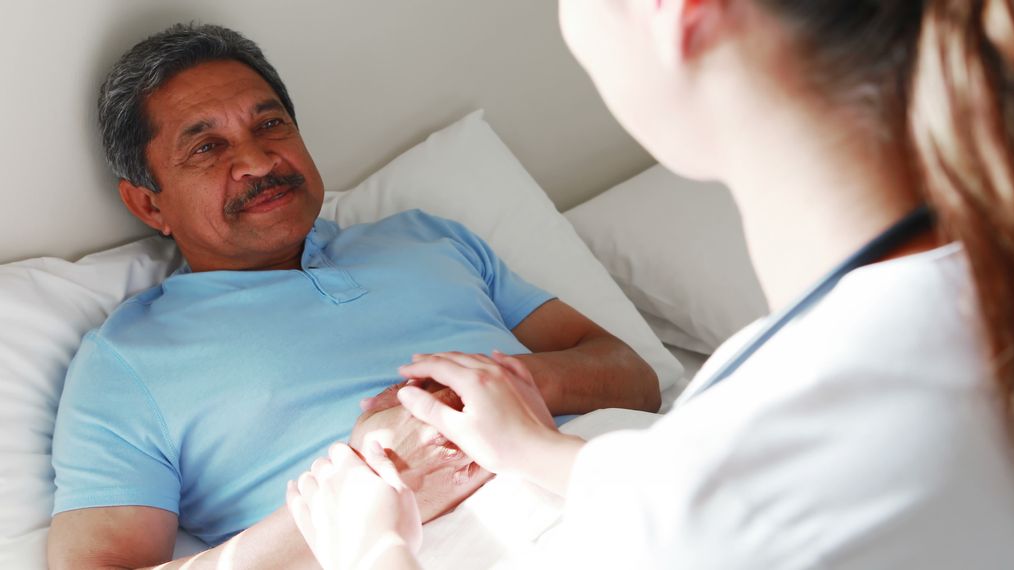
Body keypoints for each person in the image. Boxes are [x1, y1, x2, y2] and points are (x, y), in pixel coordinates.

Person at [287, 0, 1014, 568]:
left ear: (675, 11)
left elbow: (726, 500)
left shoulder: (726, 496)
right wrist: (542, 451)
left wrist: (372, 547)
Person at [46, 23, 661, 570]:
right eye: (207, 147)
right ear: (149, 203)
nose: (258, 160)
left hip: (624, 472)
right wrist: (364, 490)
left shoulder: (425, 237)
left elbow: (633, 376)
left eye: (271, 124)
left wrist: (494, 390)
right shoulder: (127, 360)